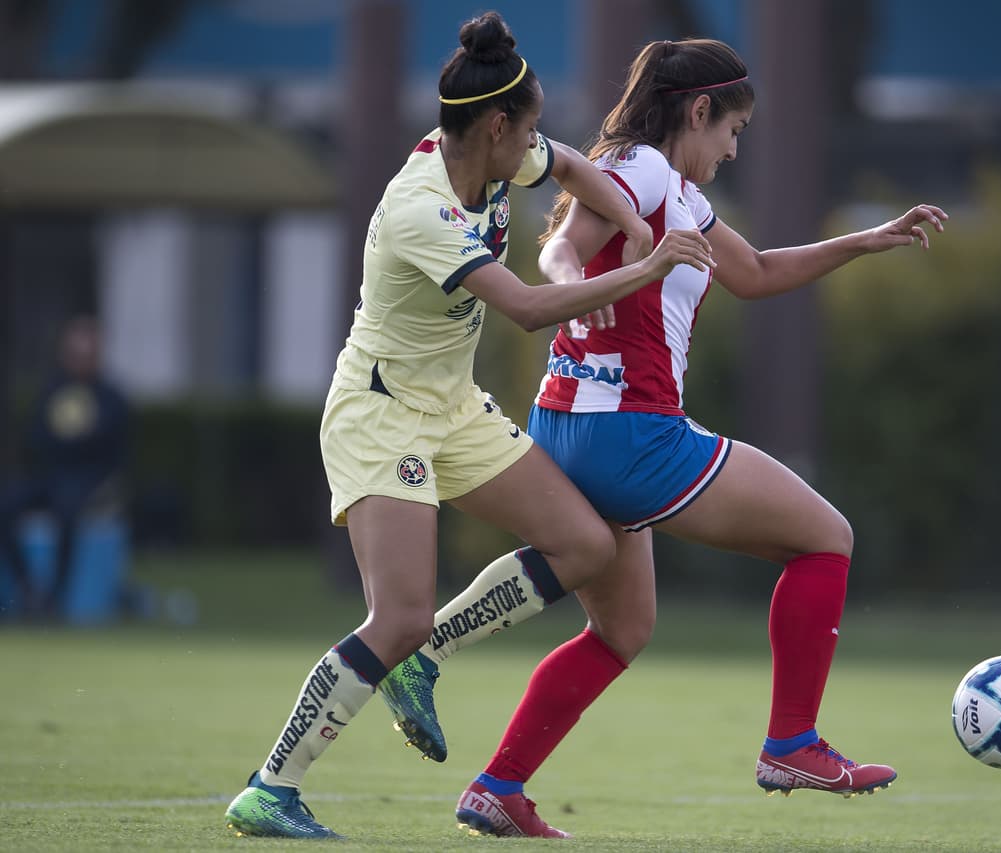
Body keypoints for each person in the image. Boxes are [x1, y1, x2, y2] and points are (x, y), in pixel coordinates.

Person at [382, 37, 949, 838]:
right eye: (733, 130)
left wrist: (864, 239)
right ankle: (792, 741)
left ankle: (498, 786)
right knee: (827, 537)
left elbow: (752, 273)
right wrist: (576, 290)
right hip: (632, 434)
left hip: (572, 425)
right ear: (698, 110)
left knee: (623, 630)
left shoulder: (676, 191)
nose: (733, 147)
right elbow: (557, 248)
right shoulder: (644, 167)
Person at [222, 13, 715, 840]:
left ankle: (427, 656)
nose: (537, 142)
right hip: (381, 416)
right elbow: (524, 309)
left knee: (587, 544)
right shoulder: (420, 207)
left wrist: (632, 225)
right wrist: (649, 265)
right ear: (495, 127)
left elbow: (572, 168)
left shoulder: (496, 151)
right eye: (528, 125)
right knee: (398, 613)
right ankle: (271, 786)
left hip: (452, 406)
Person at [1, 315, 129, 619]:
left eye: (86, 354)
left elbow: (115, 450)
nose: (79, 360)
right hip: (49, 476)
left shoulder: (110, 397)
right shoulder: (51, 392)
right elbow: (36, 437)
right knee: (6, 505)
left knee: (67, 512)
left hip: (87, 481)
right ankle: (28, 587)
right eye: (74, 353)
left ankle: (55, 598)